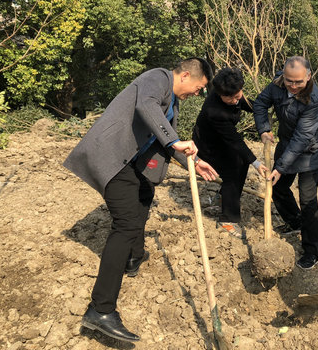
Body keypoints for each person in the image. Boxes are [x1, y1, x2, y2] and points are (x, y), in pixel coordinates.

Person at [63, 58, 218, 342]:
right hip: (112, 159)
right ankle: (101, 310)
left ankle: (133, 257)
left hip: (132, 164)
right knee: (125, 225)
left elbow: (162, 139)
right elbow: (145, 107)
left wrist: (192, 163)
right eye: (199, 88)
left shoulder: (173, 101)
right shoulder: (157, 78)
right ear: (186, 75)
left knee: (144, 195)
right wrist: (174, 142)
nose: (197, 94)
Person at [254, 56, 318, 270]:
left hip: (309, 150)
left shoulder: (313, 98)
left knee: (308, 199)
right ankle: (294, 221)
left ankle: (313, 250)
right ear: (283, 76)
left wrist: (280, 167)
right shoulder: (277, 84)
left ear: (308, 76)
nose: (293, 86)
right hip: (287, 143)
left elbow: (303, 137)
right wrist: (264, 129)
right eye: (289, 81)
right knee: (277, 187)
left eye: (298, 82)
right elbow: (260, 104)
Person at [192, 68, 268, 238]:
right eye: (230, 98)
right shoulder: (215, 111)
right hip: (208, 145)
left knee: (242, 162)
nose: (235, 101)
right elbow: (234, 140)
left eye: (237, 95)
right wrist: (256, 163)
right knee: (232, 171)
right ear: (220, 94)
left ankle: (225, 198)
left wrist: (263, 113)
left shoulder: (234, 92)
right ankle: (228, 219)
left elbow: (248, 104)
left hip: (223, 140)